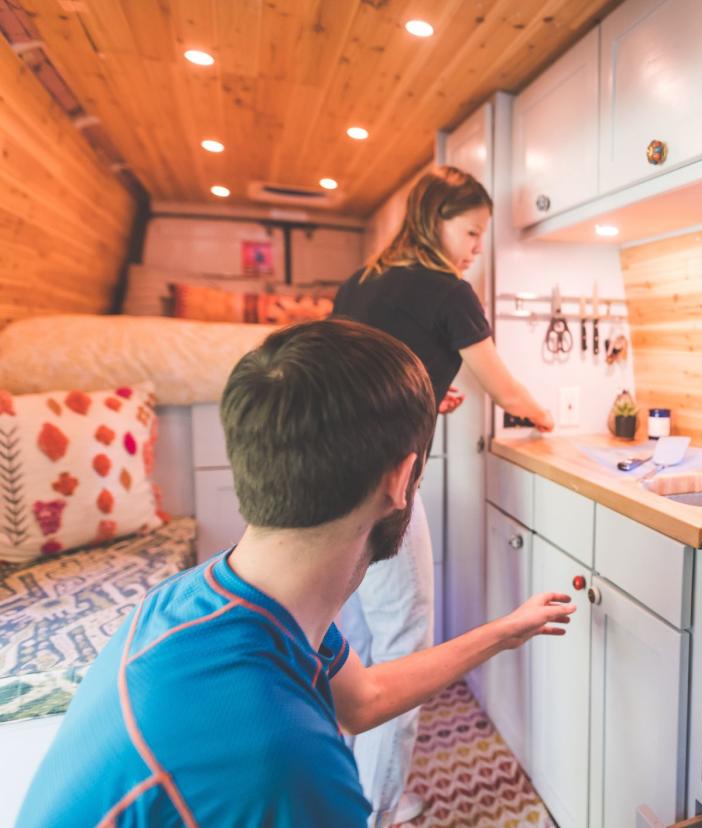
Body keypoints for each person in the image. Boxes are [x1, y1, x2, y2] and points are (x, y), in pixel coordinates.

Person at [16, 319, 574, 828]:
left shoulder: (221, 596)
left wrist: (505, 631)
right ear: (402, 480)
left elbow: (365, 699)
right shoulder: (284, 761)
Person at [331, 165, 553, 824]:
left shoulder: (360, 282)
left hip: (332, 476)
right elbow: (506, 389)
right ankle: (375, 811)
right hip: (382, 487)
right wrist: (546, 418)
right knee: (405, 647)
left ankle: (349, 787)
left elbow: (356, 378)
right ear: (437, 221)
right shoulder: (449, 292)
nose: (475, 248)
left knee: (359, 644)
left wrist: (425, 395)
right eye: (472, 232)